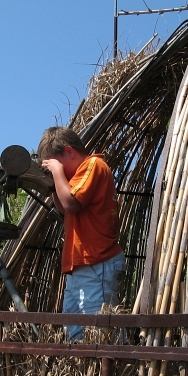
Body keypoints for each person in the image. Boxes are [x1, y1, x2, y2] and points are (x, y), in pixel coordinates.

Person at [38, 127, 124, 342]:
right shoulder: (76, 175)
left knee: (100, 333)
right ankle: (85, 372)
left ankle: (105, 374)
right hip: (82, 265)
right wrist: (53, 185)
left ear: (69, 152)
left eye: (57, 163)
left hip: (97, 263)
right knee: (75, 332)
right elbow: (63, 206)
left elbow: (71, 203)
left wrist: (58, 172)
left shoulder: (93, 165)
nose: (59, 171)